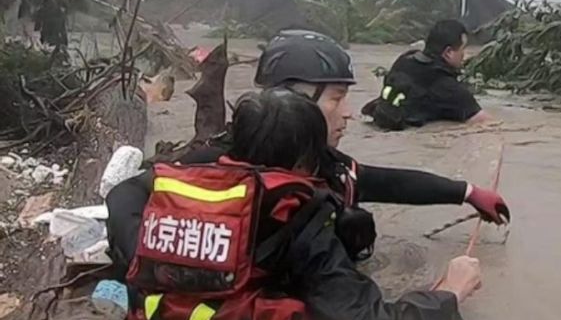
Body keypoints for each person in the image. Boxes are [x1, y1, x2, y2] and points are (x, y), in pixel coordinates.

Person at [119, 90, 482, 320]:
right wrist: (450, 293)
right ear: (307, 159)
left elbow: (120, 197)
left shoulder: (182, 187)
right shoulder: (297, 211)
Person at [106, 29, 509, 273]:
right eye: (336, 99)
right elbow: (126, 193)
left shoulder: (325, 167)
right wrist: (140, 257)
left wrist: (467, 192)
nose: (349, 114)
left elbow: (382, 181)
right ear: (292, 98)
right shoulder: (219, 163)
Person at [364, 19, 495, 131]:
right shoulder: (448, 88)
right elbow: (485, 123)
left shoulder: (404, 60)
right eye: (463, 49)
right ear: (448, 52)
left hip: (381, 122)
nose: (465, 55)